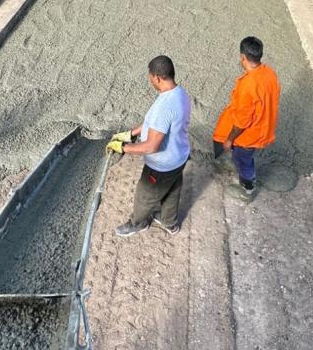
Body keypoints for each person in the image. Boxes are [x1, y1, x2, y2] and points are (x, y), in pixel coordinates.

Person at [106, 55, 191, 237]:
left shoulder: (165, 106)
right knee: (173, 189)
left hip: (161, 166)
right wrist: (131, 134)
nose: (150, 80)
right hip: (179, 157)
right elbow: (155, 125)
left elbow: (152, 146)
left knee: (144, 196)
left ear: (158, 78)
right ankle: (169, 222)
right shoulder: (179, 93)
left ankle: (138, 223)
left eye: (150, 77)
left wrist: (123, 147)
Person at [212, 36, 281, 202]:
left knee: (244, 161)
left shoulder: (248, 86)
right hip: (263, 127)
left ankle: (247, 191)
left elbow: (242, 122)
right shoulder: (269, 73)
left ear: (243, 57)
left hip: (249, 136)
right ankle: (243, 174)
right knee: (243, 158)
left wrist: (229, 140)